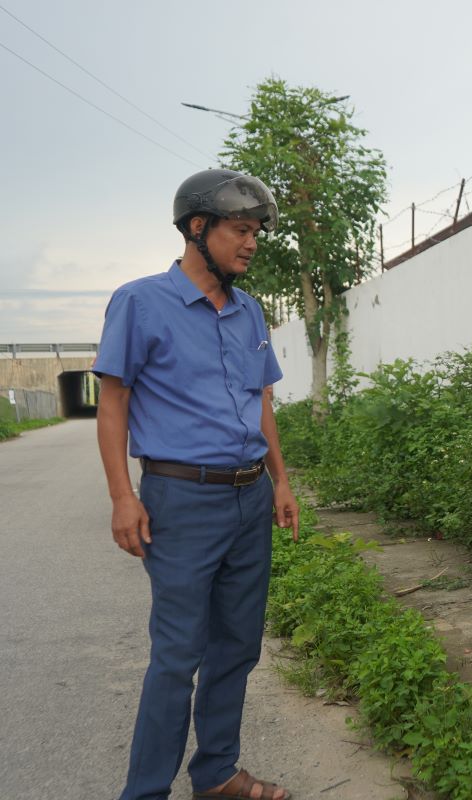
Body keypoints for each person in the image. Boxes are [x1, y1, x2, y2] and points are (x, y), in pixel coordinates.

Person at [95, 169, 299, 800]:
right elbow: (113, 400)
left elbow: (260, 398)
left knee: (237, 647)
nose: (252, 244)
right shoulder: (140, 301)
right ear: (197, 227)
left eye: (256, 232)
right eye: (241, 230)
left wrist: (281, 481)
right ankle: (145, 791)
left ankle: (215, 773)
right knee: (178, 656)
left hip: (249, 498)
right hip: (180, 501)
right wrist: (122, 497)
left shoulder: (248, 311)